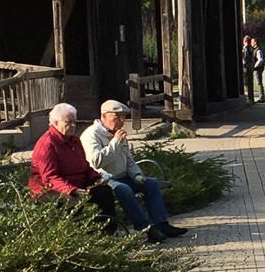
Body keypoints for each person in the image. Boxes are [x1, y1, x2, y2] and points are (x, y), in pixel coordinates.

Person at [82, 99, 188, 243]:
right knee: (124, 190)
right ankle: (146, 229)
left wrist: (136, 174)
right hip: (105, 179)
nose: (121, 121)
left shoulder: (118, 133)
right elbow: (96, 161)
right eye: (117, 117)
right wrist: (115, 143)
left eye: (123, 117)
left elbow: (128, 159)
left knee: (151, 184)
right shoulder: (91, 135)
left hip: (124, 175)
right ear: (104, 116)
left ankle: (161, 224)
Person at [28, 103, 121, 230]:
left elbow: (84, 167)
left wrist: (97, 178)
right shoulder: (47, 144)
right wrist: (71, 190)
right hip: (49, 190)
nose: (73, 126)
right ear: (56, 123)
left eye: (74, 122)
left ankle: (109, 233)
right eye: (68, 122)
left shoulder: (74, 140)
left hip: (76, 184)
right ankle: (73, 236)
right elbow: (50, 177)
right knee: (71, 200)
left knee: (104, 192)